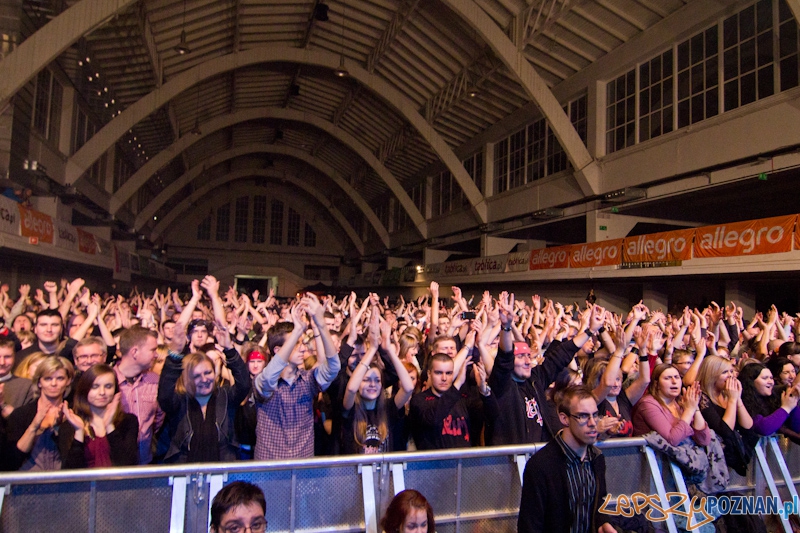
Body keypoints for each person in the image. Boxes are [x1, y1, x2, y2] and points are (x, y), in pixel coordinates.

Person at [517, 385, 625, 533]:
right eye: (583, 416)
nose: (593, 423)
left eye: (595, 415)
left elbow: (598, 507)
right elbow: (530, 526)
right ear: (564, 418)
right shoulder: (540, 465)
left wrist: (603, 523)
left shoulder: (597, 458)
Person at [253, 293, 341, 459]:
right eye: (295, 344)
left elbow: (333, 368)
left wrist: (321, 323)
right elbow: (268, 379)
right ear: (278, 351)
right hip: (270, 469)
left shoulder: (307, 380)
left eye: (301, 343)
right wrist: (297, 330)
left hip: (302, 468)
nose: (302, 349)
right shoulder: (263, 379)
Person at [159, 319, 250, 463]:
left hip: (222, 469)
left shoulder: (225, 396)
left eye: (208, 373)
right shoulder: (180, 401)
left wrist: (229, 349)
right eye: (196, 376)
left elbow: (244, 384)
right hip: (185, 471)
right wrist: (175, 354)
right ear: (187, 378)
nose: (204, 379)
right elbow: (164, 394)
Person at [340, 312, 414, 454]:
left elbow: (408, 387)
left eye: (377, 380)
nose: (372, 384)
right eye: (366, 380)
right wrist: (372, 348)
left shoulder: (388, 407)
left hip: (383, 474)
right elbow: (350, 389)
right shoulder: (351, 408)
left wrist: (389, 351)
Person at [60, 364, 139, 468]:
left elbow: (127, 464)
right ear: (85, 389)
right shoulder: (69, 426)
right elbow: (69, 473)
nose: (102, 392)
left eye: (108, 386)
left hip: (117, 483)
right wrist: (79, 432)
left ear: (115, 390)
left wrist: (110, 426)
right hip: (85, 484)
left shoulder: (129, 421)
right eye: (95, 386)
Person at [6, 356, 75, 470]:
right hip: (26, 482)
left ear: (68, 381)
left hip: (63, 482)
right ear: (39, 382)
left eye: (60, 378)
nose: (53, 383)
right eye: (48, 378)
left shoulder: (74, 414)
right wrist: (35, 426)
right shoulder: (21, 414)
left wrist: (60, 428)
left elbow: (75, 459)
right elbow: (12, 459)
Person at [697, 355, 756, 476]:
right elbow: (725, 431)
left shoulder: (728, 394)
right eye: (725, 372)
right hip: (714, 461)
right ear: (711, 375)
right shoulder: (702, 398)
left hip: (735, 456)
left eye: (731, 371)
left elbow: (748, 426)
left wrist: (737, 399)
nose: (731, 375)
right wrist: (732, 401)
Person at [114, 326, 164, 464]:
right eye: (152, 350)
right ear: (134, 352)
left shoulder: (155, 381)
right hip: (114, 467)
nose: (156, 355)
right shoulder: (107, 382)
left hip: (145, 463)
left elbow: (158, 420)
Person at [632, 364, 711, 447]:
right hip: (656, 457)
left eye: (677, 377)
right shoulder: (648, 404)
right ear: (656, 384)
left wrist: (695, 407)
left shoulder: (681, 402)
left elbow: (704, 440)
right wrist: (689, 410)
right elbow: (672, 440)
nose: (674, 381)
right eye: (668, 378)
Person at [739, 362, 800, 437]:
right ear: (751, 381)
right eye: (765, 378)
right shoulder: (744, 401)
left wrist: (793, 401)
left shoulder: (775, 397)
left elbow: (797, 428)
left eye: (771, 378)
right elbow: (763, 429)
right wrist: (786, 408)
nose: (771, 382)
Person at [0, 338, 34, 417]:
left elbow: (26, 421)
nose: (2, 362)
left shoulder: (27, 386)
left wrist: (3, 404)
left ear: (14, 357)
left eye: (7, 357)